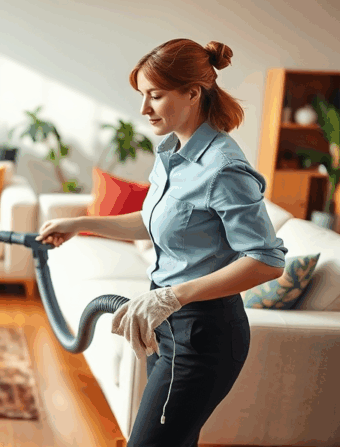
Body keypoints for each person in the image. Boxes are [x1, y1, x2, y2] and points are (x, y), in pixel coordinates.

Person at [35, 39, 287, 446]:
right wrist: (79, 222)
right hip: (162, 323)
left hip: (203, 335)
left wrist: (173, 296)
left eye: (155, 95)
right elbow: (156, 223)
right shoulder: (172, 151)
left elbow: (266, 260)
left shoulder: (223, 168)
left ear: (192, 92)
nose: (143, 109)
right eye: (142, 96)